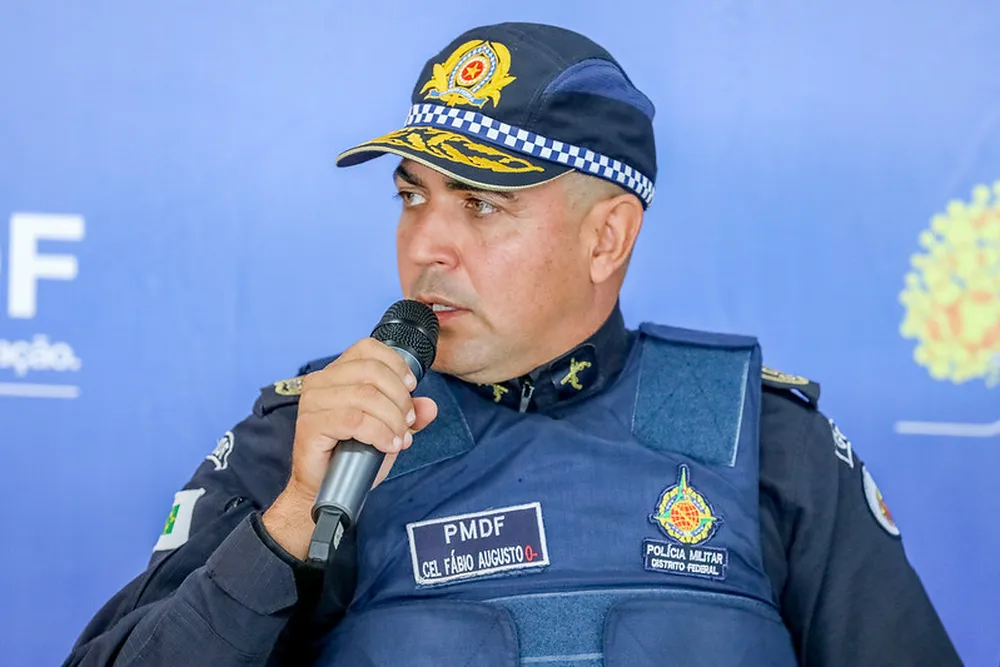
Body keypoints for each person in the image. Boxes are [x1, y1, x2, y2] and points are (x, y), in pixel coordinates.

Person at [64, 22, 962, 667]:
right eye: (411, 196)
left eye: (481, 204)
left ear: (606, 238)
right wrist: (290, 522)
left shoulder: (769, 443)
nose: (426, 245)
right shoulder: (314, 444)